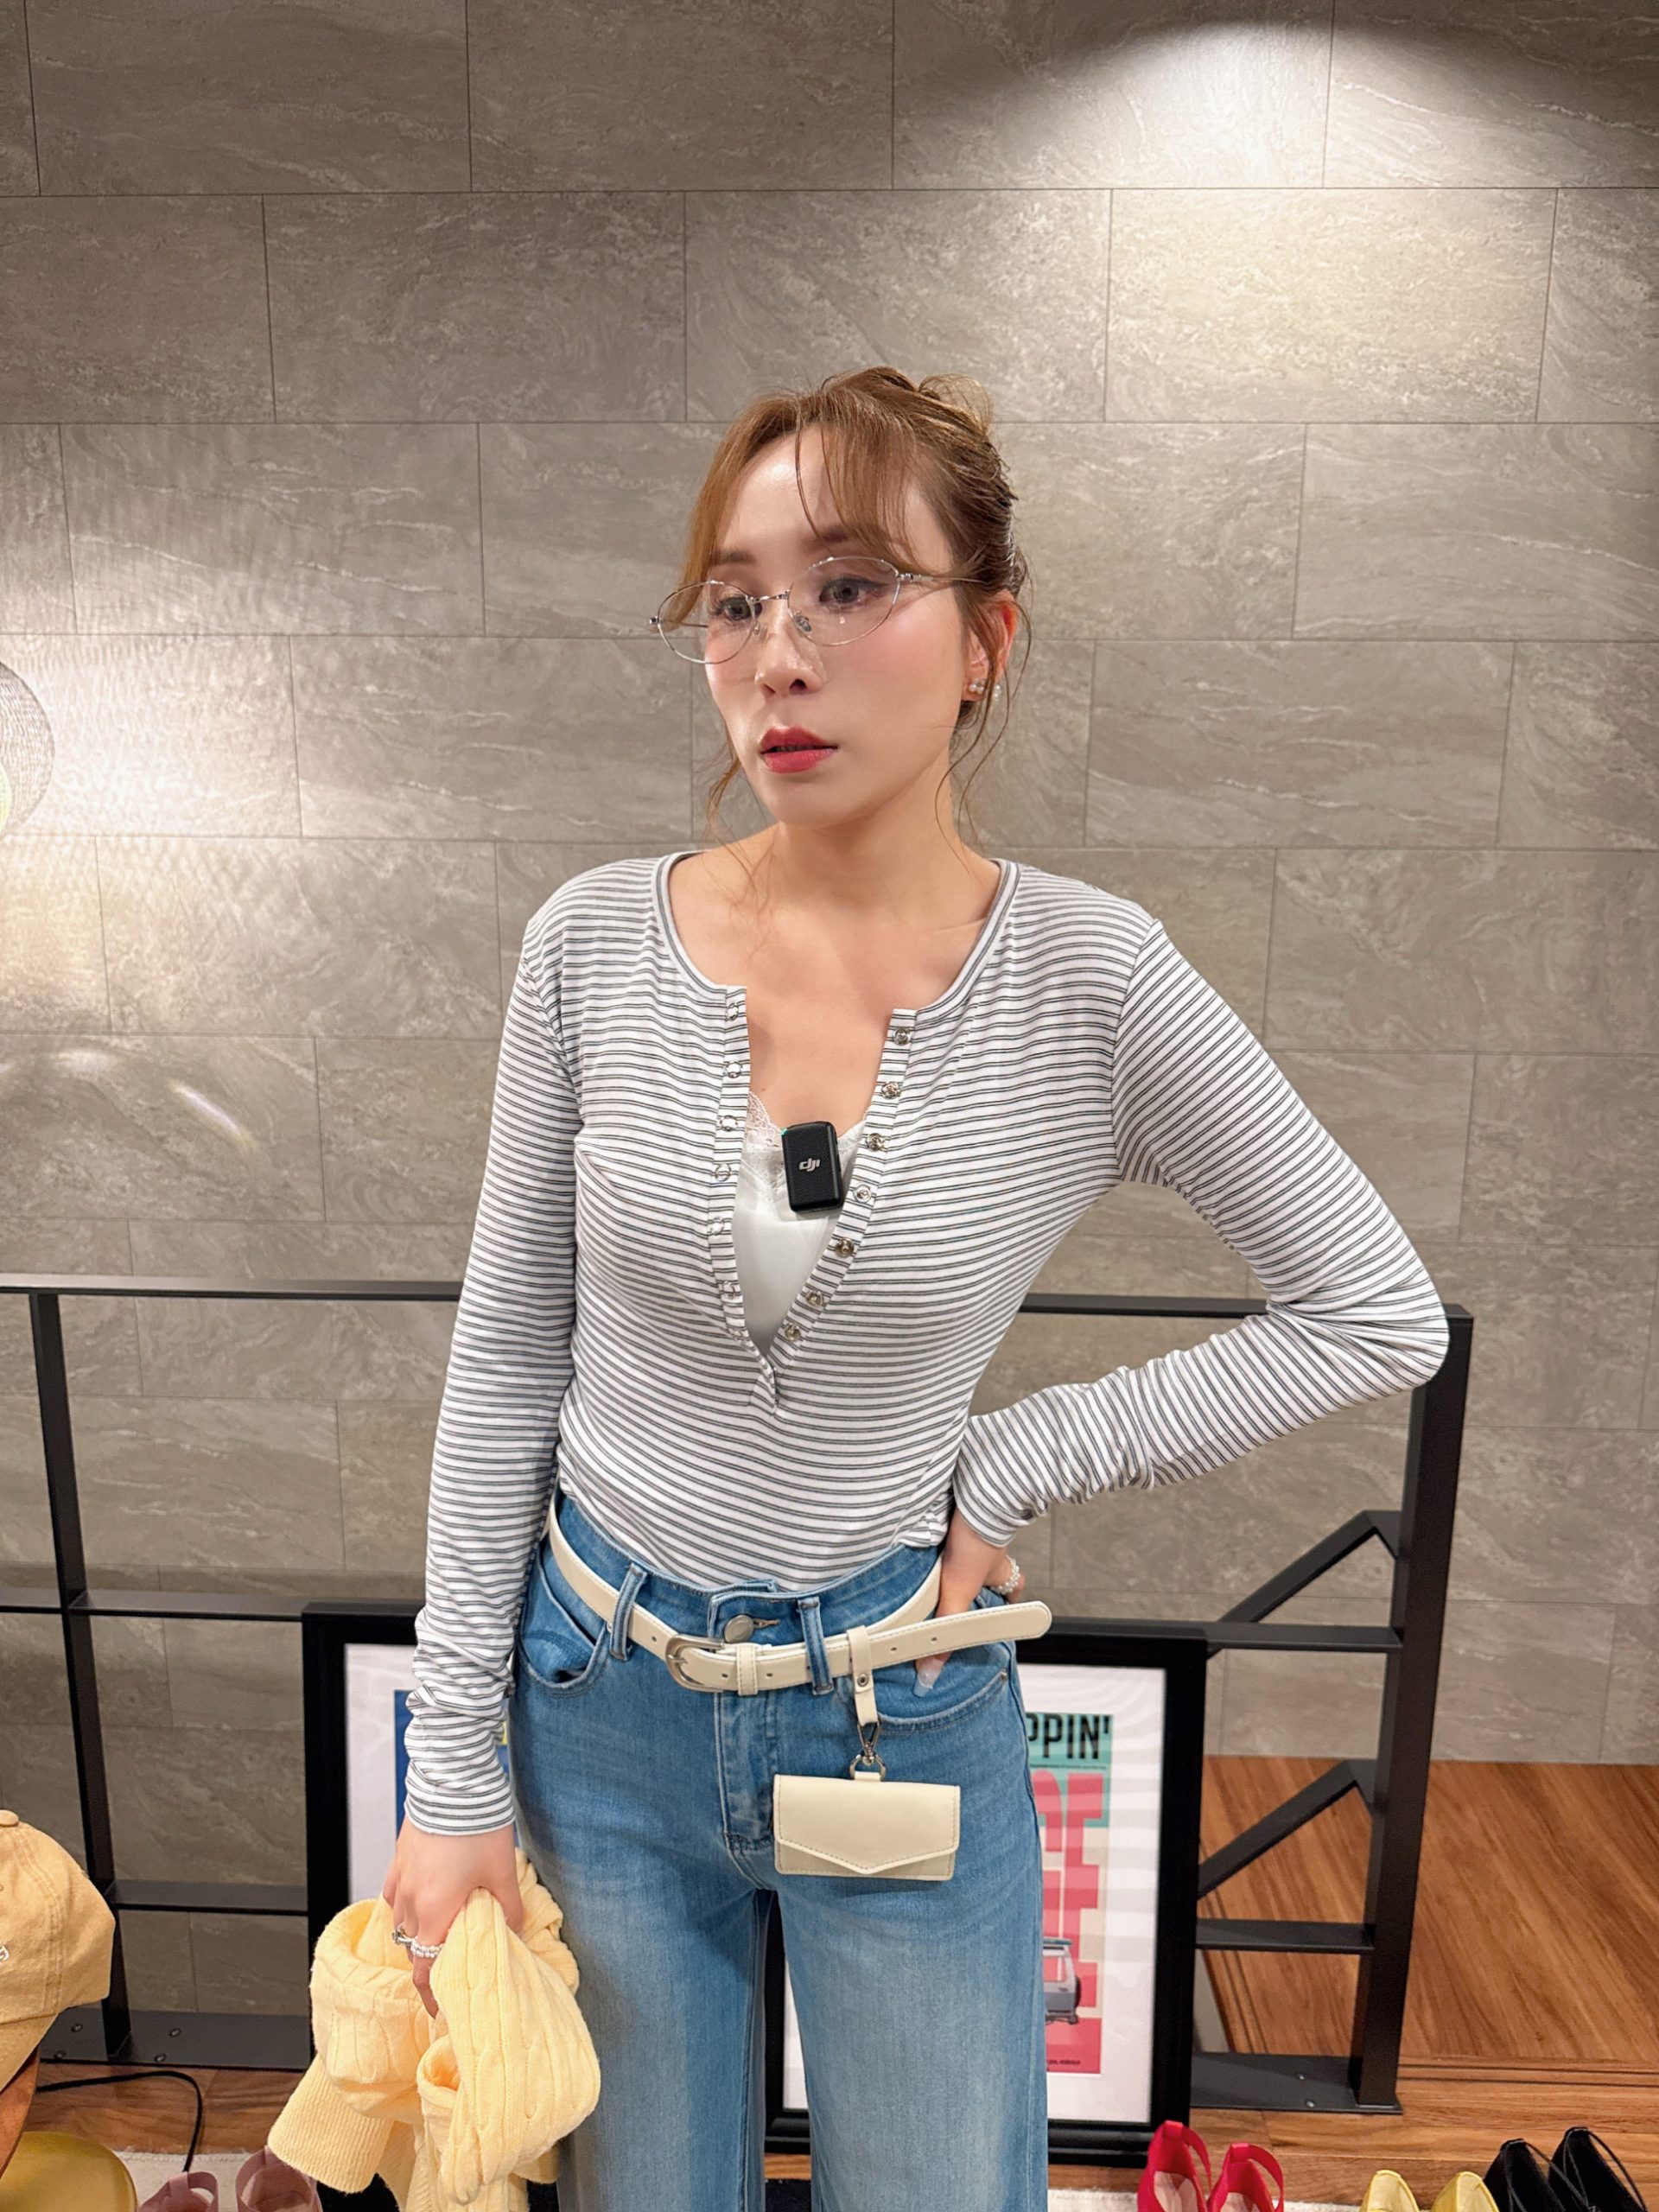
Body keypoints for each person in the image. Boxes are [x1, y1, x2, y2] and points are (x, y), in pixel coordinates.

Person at [381, 366, 1449, 2210]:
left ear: (986, 640)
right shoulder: (590, 948)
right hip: (596, 1692)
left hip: (896, 1699)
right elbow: (503, 1373)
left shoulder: (1095, 982)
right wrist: (451, 1772)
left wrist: (1016, 1457)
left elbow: (1373, 1305)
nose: (779, 655)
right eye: (736, 602)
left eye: (853, 585)